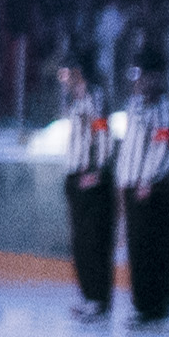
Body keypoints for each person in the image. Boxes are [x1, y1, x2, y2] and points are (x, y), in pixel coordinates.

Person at [113, 48, 169, 325]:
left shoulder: (168, 107)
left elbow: (166, 147)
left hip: (157, 190)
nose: (138, 82)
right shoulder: (134, 107)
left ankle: (156, 304)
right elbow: (129, 148)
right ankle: (144, 303)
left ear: (156, 77)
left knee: (155, 247)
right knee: (138, 248)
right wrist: (124, 181)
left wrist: (148, 180)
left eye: (142, 76)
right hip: (135, 187)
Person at [51, 64, 120, 320]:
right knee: (80, 241)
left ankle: (98, 298)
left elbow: (102, 132)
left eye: (66, 73)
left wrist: (97, 169)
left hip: (90, 177)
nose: (63, 79)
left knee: (94, 240)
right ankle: (88, 294)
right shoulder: (74, 99)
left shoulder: (94, 97)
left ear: (79, 71)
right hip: (75, 175)